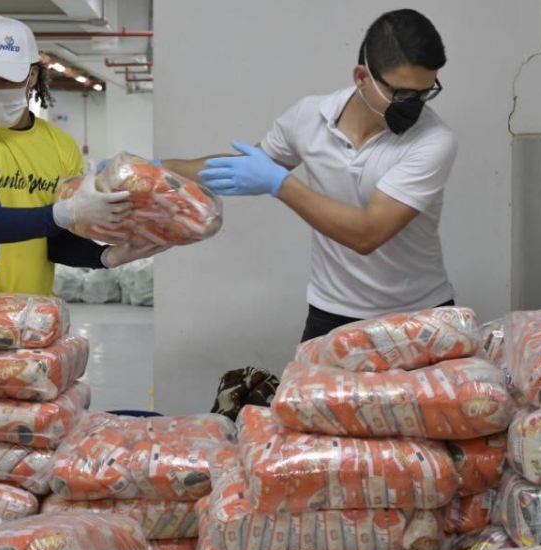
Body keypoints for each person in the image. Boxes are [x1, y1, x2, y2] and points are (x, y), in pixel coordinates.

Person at [164, 9, 459, 342]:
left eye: (425, 92)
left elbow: (368, 234)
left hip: (418, 316)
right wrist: (161, 167)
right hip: (332, 312)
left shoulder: (433, 139)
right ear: (362, 77)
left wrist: (280, 184)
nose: (415, 105)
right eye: (403, 94)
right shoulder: (309, 117)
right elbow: (238, 168)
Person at [0, 16, 163, 372]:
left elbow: (53, 241)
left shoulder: (60, 146)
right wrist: (68, 212)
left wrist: (108, 257)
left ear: (32, 75)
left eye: (5, 79)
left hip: (24, 327)